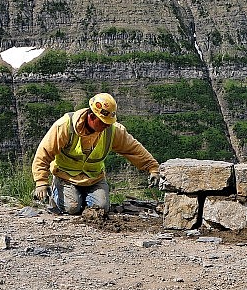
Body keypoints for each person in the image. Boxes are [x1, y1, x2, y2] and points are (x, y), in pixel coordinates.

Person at [31, 92, 160, 215]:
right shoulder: (65, 126)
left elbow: (134, 149)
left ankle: (83, 199)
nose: (107, 126)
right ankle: (57, 192)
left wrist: (152, 168)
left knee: (102, 208)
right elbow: (44, 153)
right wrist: (41, 182)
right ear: (91, 116)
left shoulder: (112, 131)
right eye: (103, 122)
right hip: (66, 177)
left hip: (94, 178)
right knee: (72, 208)